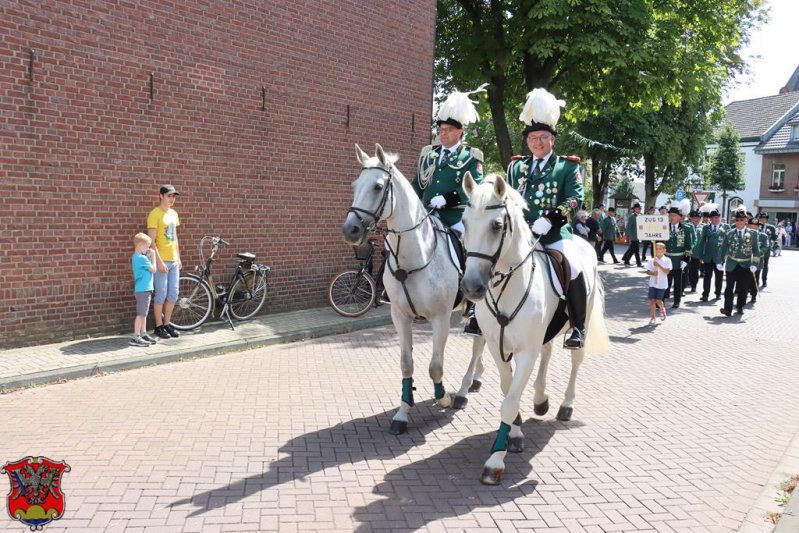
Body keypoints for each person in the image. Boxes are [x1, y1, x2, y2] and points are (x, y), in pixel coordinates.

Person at [506, 88, 587, 349]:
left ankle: (578, 327)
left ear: (553, 138)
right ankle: (477, 314)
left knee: (573, 266)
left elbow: (576, 199)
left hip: (553, 234)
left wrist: (552, 218)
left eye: (543, 137)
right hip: (522, 234)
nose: (537, 142)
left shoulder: (568, 166)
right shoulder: (516, 167)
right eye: (532, 137)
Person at [413, 86, 486, 336]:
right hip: (426, 215)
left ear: (459, 132)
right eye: (440, 130)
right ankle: (390, 286)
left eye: (447, 131)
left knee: (468, 248)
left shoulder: (470, 157)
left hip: (454, 216)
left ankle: (472, 300)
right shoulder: (428, 155)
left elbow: (473, 188)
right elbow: (417, 184)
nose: (442, 134)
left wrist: (447, 198)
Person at [147, 184, 182, 339]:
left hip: (173, 261)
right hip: (162, 261)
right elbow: (151, 242)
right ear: (161, 196)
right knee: (160, 294)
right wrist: (159, 262)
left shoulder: (174, 214)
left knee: (173, 294)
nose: (172, 199)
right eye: (169, 195)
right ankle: (159, 326)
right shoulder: (155, 214)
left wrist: (178, 257)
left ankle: (167, 324)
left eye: (173, 196)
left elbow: (175, 238)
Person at [716, 208, 761, 317]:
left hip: (745, 264)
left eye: (741, 219)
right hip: (732, 263)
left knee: (743, 288)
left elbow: (756, 251)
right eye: (737, 220)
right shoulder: (729, 233)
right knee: (729, 287)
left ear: (746, 220)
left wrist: (755, 264)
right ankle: (727, 309)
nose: (739, 222)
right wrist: (719, 261)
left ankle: (740, 306)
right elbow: (723, 248)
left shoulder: (753, 234)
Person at [130, 233, 158, 347]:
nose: (148, 249)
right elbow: (154, 269)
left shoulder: (137, 257)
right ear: (140, 245)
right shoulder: (141, 258)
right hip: (143, 289)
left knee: (144, 313)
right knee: (141, 314)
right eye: (147, 246)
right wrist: (154, 256)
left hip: (144, 289)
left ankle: (143, 333)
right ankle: (136, 336)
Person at [696, 203, 727, 301]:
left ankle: (718, 293)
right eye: (714, 218)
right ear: (710, 219)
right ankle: (705, 295)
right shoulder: (706, 228)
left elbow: (728, 243)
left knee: (719, 277)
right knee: (707, 277)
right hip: (708, 256)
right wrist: (701, 255)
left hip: (719, 257)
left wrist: (725, 256)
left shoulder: (725, 227)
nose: (716, 219)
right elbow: (702, 242)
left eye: (718, 217)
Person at [663, 204, 692, 308]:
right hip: (666, 259)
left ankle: (677, 301)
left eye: (674, 215)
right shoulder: (664, 227)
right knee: (664, 281)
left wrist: (685, 259)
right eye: (670, 215)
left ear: (680, 217)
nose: (671, 217)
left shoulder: (686, 229)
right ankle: (661, 300)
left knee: (678, 281)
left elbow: (689, 246)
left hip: (679, 259)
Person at [645, 243, 671, 324]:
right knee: (652, 301)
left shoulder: (667, 260)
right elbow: (647, 271)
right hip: (653, 283)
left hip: (662, 284)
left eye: (660, 249)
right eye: (657, 249)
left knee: (658, 301)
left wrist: (658, 265)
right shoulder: (651, 260)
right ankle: (653, 317)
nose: (658, 250)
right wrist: (652, 273)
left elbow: (667, 272)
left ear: (664, 250)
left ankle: (662, 308)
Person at [748, 216, 769, 305]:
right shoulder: (746, 234)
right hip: (746, 260)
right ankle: (743, 295)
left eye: (756, 225)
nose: (754, 227)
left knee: (755, 278)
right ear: (749, 225)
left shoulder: (763, 236)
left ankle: (753, 295)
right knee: (745, 279)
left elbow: (766, 247)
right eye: (752, 225)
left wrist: (759, 253)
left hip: (757, 260)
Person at [757, 212, 777, 287]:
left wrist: (774, 244)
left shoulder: (771, 228)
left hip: (767, 251)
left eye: (764, 219)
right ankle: (756, 281)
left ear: (767, 220)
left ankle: (764, 280)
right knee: (757, 266)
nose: (762, 220)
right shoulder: (756, 226)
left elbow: (775, 237)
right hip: (757, 250)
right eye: (761, 218)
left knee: (765, 265)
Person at [686, 209, 703, 293]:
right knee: (685, 269)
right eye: (694, 218)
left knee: (695, 270)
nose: (696, 220)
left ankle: (694, 286)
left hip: (697, 253)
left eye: (698, 218)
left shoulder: (703, 228)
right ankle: (684, 284)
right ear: (691, 218)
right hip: (687, 252)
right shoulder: (686, 226)